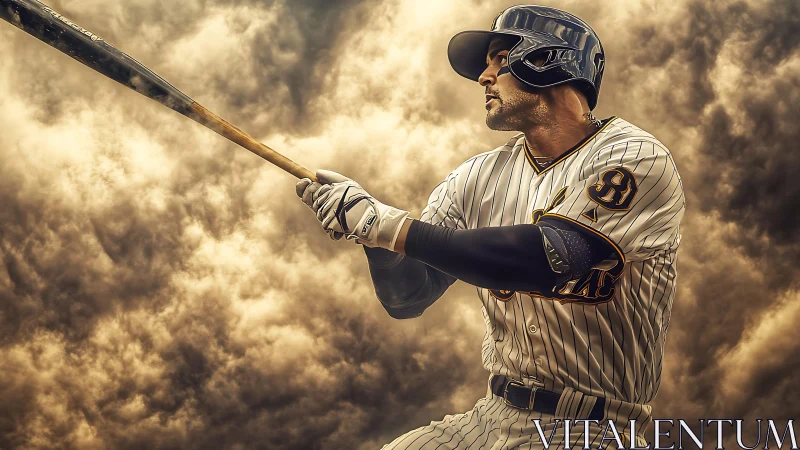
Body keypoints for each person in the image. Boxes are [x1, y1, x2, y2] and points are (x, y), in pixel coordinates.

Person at [296, 5, 685, 449]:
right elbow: (409, 296)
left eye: (499, 59)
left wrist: (386, 225)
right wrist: (367, 231)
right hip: (493, 414)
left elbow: (542, 259)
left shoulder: (637, 156)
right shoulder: (475, 177)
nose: (483, 77)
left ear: (547, 61)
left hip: (594, 428)